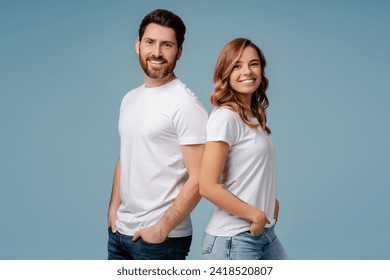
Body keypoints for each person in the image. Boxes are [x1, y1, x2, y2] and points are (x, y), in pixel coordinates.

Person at [107, 9, 208, 260]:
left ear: (179, 52)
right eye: (150, 42)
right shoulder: (130, 98)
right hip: (120, 233)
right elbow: (127, 156)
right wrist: (113, 209)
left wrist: (162, 228)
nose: (157, 53)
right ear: (138, 45)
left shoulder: (185, 104)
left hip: (161, 240)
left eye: (167, 45)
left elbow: (200, 178)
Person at [199, 38, 288, 260]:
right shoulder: (225, 118)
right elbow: (207, 186)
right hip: (233, 240)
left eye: (254, 64)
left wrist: (270, 204)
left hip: (263, 235)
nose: (247, 71)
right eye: (237, 66)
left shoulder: (252, 117)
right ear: (225, 73)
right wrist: (255, 214)